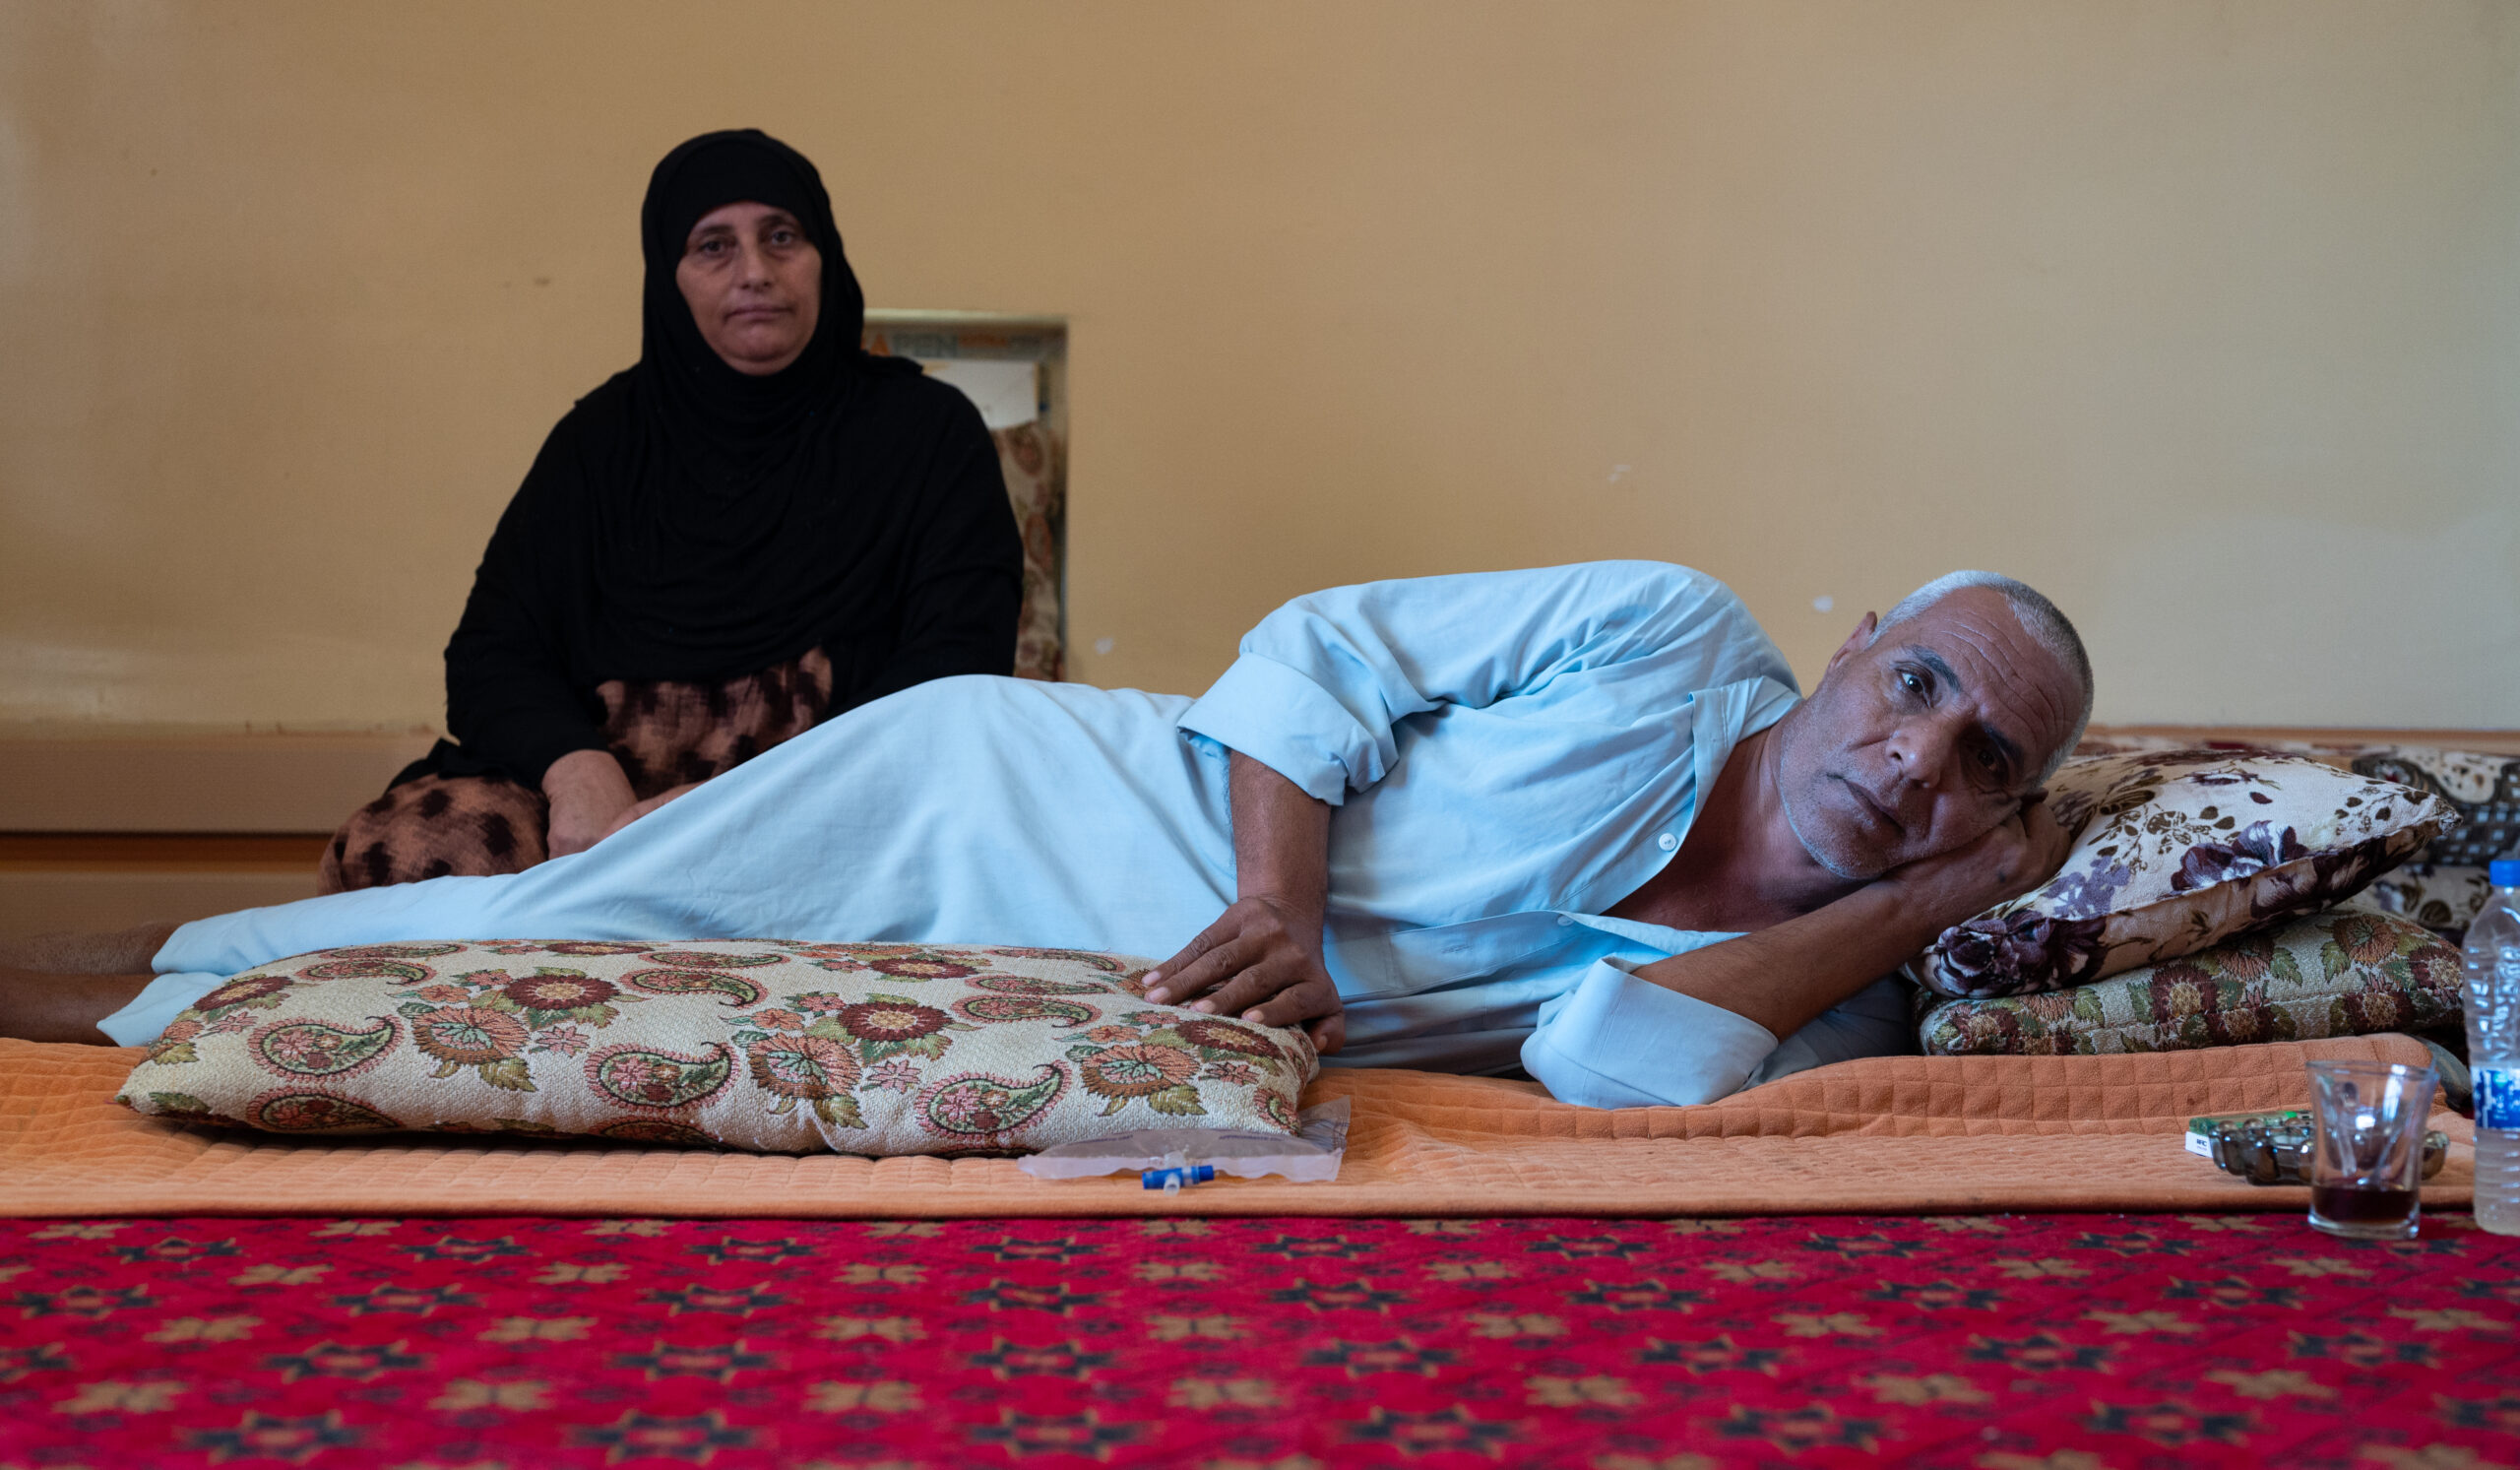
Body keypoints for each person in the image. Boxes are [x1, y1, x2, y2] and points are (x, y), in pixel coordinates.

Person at [2, 562, 2090, 1109]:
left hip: (1085, 998)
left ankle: (121, 1000)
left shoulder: (1849, 989)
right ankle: (90, 1002)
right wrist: (1278, 898)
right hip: (1014, 791)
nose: (1919, 752)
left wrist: (1931, 896)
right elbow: (1312, 649)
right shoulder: (1662, 637)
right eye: (1915, 684)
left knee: (600, 1011)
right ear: (1852, 644)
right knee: (561, 925)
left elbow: (1602, 1070)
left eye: (1984, 759)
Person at [319, 128, 1024, 893]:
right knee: (414, 848)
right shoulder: (601, 442)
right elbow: (493, 651)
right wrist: (577, 770)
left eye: (782, 237)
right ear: (669, 275)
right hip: (604, 820)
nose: (755, 271)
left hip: (830, 801)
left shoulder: (929, 434)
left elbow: (954, 671)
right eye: (713, 246)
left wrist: (753, 804)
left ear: (826, 255)